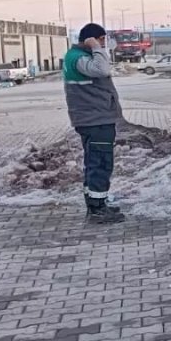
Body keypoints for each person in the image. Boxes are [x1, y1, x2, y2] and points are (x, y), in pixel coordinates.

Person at [63, 23, 125, 224]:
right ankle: (97, 210)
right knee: (100, 164)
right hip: (95, 120)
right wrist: (96, 48)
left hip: (92, 118)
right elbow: (102, 70)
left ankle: (96, 203)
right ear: (90, 39)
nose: (103, 44)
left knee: (94, 163)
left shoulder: (76, 56)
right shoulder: (79, 58)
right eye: (101, 40)